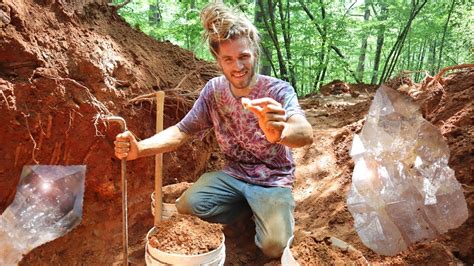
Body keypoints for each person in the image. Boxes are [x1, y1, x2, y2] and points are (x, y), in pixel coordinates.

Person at [114, 2, 313, 258]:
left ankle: (265, 212)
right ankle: (244, 212)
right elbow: (181, 131)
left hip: (271, 181)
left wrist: (281, 133)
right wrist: (140, 148)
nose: (237, 67)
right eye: (228, 59)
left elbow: (304, 132)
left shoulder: (278, 90)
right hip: (233, 175)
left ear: (254, 52)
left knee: (274, 247)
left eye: (244, 57)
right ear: (218, 61)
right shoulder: (214, 91)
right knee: (189, 205)